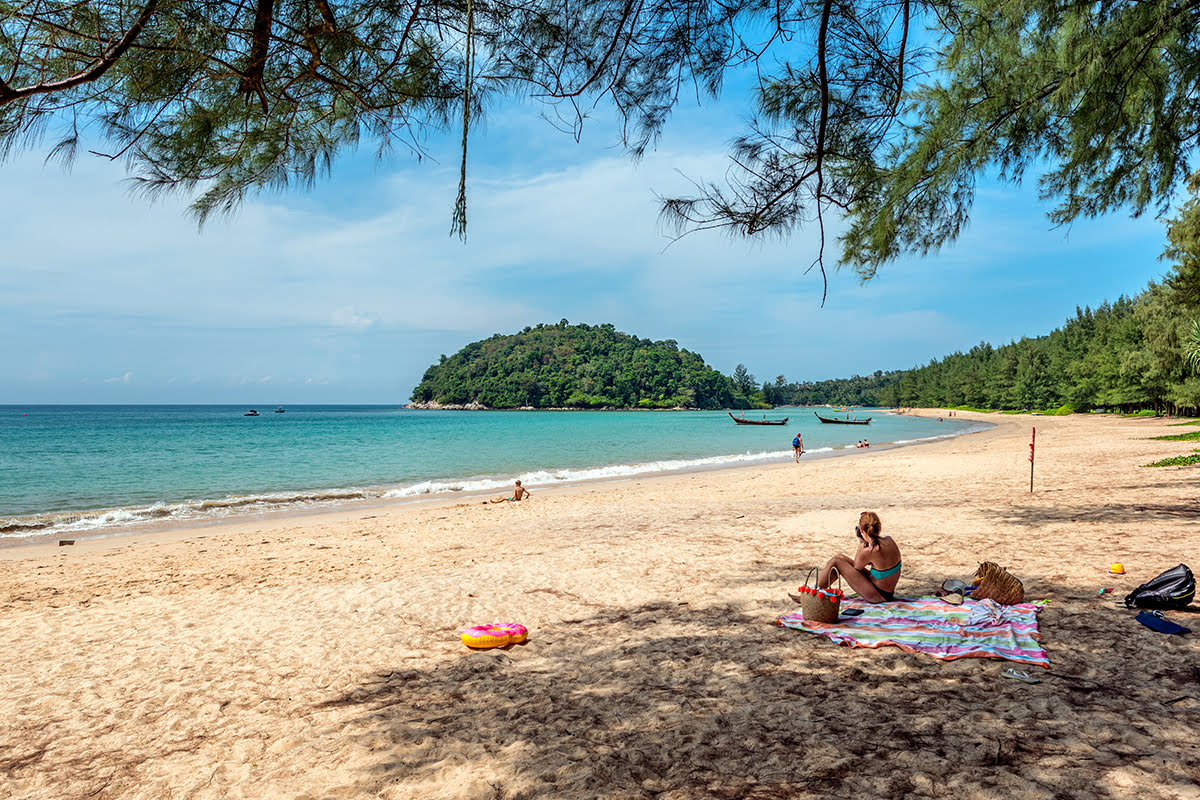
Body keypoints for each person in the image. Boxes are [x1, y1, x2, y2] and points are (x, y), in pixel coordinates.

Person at [816, 511, 901, 603]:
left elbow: (857, 567)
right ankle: (817, 591)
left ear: (861, 530)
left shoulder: (869, 551)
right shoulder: (889, 540)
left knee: (836, 561)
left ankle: (813, 594)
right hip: (886, 591)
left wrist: (861, 543)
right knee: (839, 556)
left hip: (879, 595)